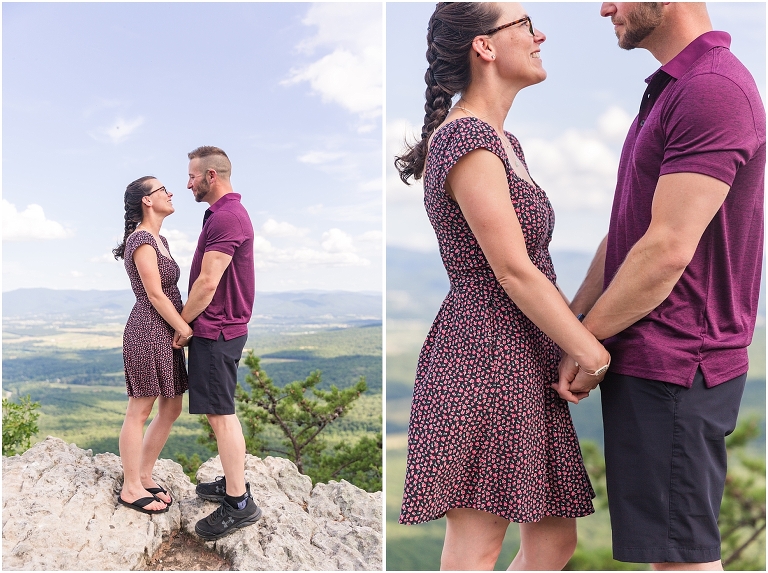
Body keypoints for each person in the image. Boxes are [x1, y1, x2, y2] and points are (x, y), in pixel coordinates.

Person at [394, 3, 611, 570]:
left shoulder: (502, 141)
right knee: (478, 544)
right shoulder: (466, 139)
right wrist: (588, 348)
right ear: (484, 47)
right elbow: (512, 269)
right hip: (483, 356)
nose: (541, 34)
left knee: (553, 540)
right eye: (524, 24)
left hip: (520, 352)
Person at [560, 3, 765, 570]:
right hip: (656, 357)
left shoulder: (713, 89)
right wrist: (574, 325)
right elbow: (631, 232)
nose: (604, 8)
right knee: (670, 558)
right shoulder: (675, 89)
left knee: (683, 562)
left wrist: (584, 341)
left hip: (680, 361)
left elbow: (667, 249)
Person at [173, 146, 261, 541]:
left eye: (192, 176)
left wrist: (183, 323)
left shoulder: (226, 216)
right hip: (223, 327)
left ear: (211, 175)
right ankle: (232, 484)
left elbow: (208, 282)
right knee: (219, 412)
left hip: (216, 329)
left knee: (221, 414)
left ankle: (238, 503)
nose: (187, 182)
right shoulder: (226, 214)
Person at [113, 176, 192, 514]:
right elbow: (155, 294)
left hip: (165, 331)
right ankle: (131, 487)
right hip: (148, 331)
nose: (170, 193)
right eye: (163, 189)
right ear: (147, 200)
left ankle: (143, 474)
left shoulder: (161, 239)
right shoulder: (142, 240)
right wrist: (184, 327)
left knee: (171, 408)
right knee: (140, 409)